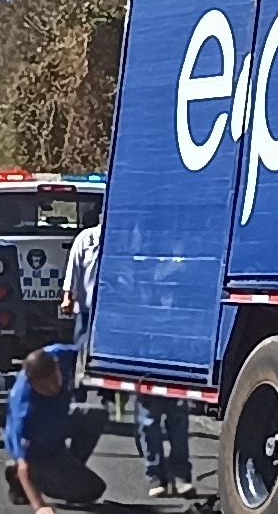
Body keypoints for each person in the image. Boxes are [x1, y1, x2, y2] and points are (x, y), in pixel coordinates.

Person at [59, 210, 192, 499]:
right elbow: (75, 269)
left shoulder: (133, 248)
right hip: (91, 312)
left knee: (175, 412)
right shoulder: (88, 239)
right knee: (83, 365)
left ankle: (179, 472)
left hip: (145, 325)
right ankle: (82, 402)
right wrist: (69, 295)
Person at [2, 344, 106, 514]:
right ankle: (26, 479)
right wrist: (40, 506)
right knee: (94, 490)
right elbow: (24, 466)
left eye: (54, 379)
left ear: (57, 366)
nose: (52, 387)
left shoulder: (59, 355)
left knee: (96, 416)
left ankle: (67, 471)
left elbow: (88, 351)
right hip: (38, 449)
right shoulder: (24, 409)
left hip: (58, 420)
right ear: (33, 382)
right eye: (44, 386)